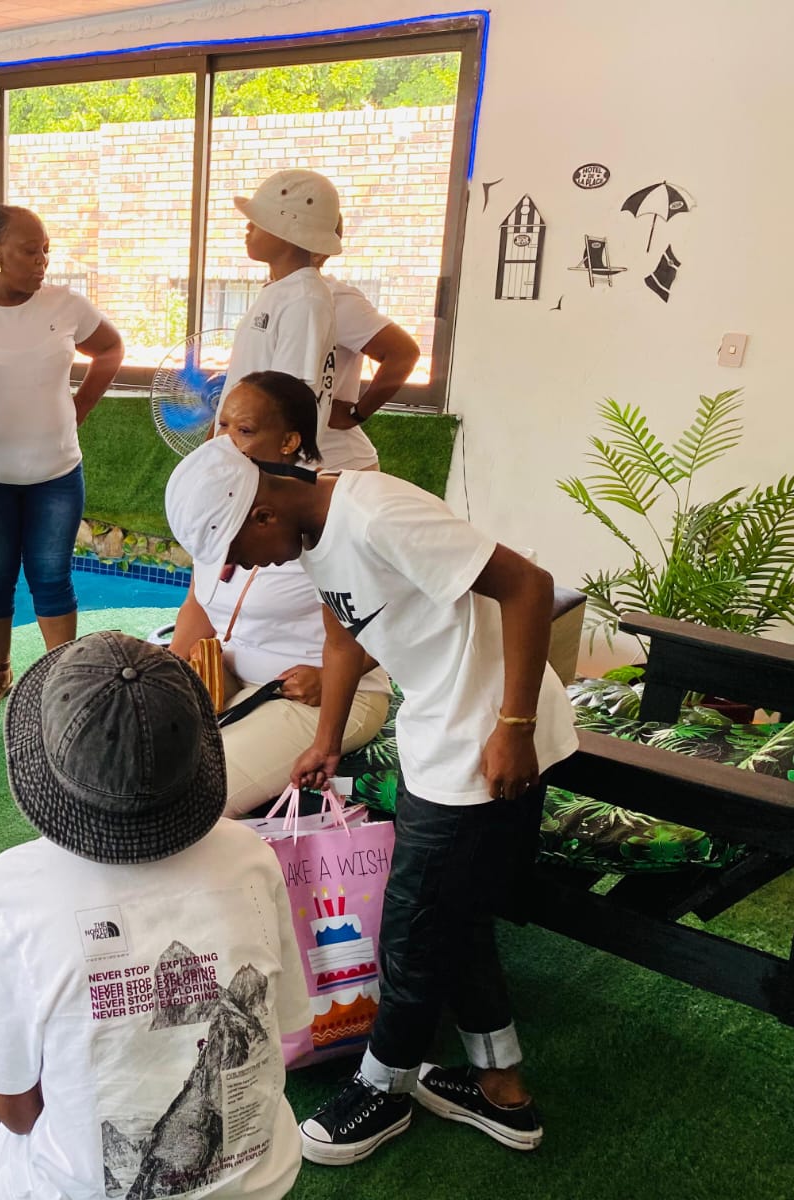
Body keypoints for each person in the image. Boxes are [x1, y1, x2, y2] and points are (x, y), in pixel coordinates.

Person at [164, 437, 578, 1166]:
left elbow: (530, 587)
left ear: (263, 509)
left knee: (415, 925)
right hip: (442, 723)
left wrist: (513, 728)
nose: (239, 572)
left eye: (237, 550)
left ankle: (381, 1090)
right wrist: (326, 738)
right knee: (457, 912)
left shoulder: (377, 512)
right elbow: (344, 630)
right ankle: (499, 1085)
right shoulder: (313, 533)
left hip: (484, 729)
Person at [0, 631, 311, 1200]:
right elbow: (285, 1028)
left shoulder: (11, 890)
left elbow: (14, 1111)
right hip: (263, 1183)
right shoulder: (252, 857)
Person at [0, 202, 125, 714]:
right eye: (29, 251)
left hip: (55, 473)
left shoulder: (66, 304)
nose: (42, 262)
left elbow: (110, 350)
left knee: (52, 576)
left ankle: (60, 683)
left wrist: (79, 407)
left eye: (45, 251)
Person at [167, 370, 390, 816]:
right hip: (230, 680)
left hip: (321, 697)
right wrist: (170, 678)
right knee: (144, 758)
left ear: (289, 442)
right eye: (224, 425)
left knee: (194, 794)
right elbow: (198, 602)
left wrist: (328, 677)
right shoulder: (220, 500)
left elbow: (393, 619)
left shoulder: (325, 516)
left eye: (245, 430)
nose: (226, 441)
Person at [222, 169, 341, 460]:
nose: (248, 228)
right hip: (243, 462)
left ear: (288, 233)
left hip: (265, 470)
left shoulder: (305, 300)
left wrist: (268, 480)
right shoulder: (280, 291)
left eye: (258, 221)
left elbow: (284, 404)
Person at [309, 219, 422, 472]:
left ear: (319, 249)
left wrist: (356, 414)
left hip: (335, 464)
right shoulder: (272, 295)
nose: (251, 227)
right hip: (288, 461)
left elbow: (404, 353)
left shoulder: (334, 299)